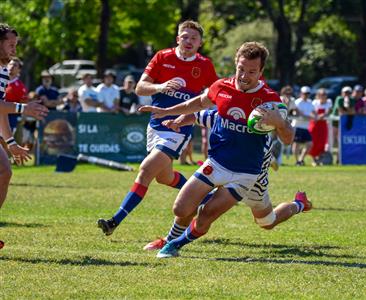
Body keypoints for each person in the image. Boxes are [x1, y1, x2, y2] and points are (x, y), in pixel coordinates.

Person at [138, 42, 301, 258]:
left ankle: (175, 244)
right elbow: (199, 104)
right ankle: (172, 238)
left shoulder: (270, 100)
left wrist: (280, 122)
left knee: (218, 217)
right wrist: (166, 110)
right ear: (236, 64)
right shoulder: (222, 87)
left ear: (261, 72)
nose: (244, 76)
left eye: (252, 72)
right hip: (216, 163)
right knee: (180, 209)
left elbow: (288, 139)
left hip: (246, 172)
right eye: (241, 69)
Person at [97, 20, 218, 236]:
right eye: (185, 36)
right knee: (164, 177)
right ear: (177, 38)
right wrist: (160, 86)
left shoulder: (205, 65)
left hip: (178, 128)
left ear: (200, 43)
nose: (189, 41)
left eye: (194, 38)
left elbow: (215, 96)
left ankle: (114, 221)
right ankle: (209, 197)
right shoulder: (163, 57)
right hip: (155, 125)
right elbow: (140, 87)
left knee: (146, 170)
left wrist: (198, 114)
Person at [142, 108, 311, 251]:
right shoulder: (229, 114)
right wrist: (178, 121)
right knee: (191, 203)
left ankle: (299, 204)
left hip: (252, 183)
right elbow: (200, 115)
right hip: (220, 169)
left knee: (267, 222)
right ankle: (169, 240)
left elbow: (272, 148)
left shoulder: (262, 139)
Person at [0, 24, 48, 248]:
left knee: (4, 171)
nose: (14, 50)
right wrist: (23, 108)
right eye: (10, 44)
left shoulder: (2, 70)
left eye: (16, 45)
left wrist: (10, 142)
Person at [291, 86, 314, 166]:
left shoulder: (310, 102)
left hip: (305, 127)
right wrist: (307, 116)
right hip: (297, 126)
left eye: (308, 94)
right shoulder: (297, 102)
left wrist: (314, 116)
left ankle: (301, 160)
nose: (306, 95)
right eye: (305, 93)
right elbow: (297, 112)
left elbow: (313, 112)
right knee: (296, 144)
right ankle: (297, 160)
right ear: (301, 93)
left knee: (310, 144)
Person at [309, 88, 333, 165]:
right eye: (321, 95)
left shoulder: (329, 102)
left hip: (323, 126)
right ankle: (313, 160)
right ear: (318, 95)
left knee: (322, 143)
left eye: (324, 94)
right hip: (314, 125)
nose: (323, 96)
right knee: (313, 142)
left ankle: (319, 159)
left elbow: (328, 111)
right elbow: (312, 112)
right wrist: (316, 117)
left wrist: (322, 115)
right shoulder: (315, 102)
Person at [5, 57, 28, 133]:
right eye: (10, 64)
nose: (11, 66)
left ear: (19, 70)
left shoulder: (21, 87)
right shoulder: (2, 80)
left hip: (10, 120)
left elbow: (23, 105)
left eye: (15, 65)